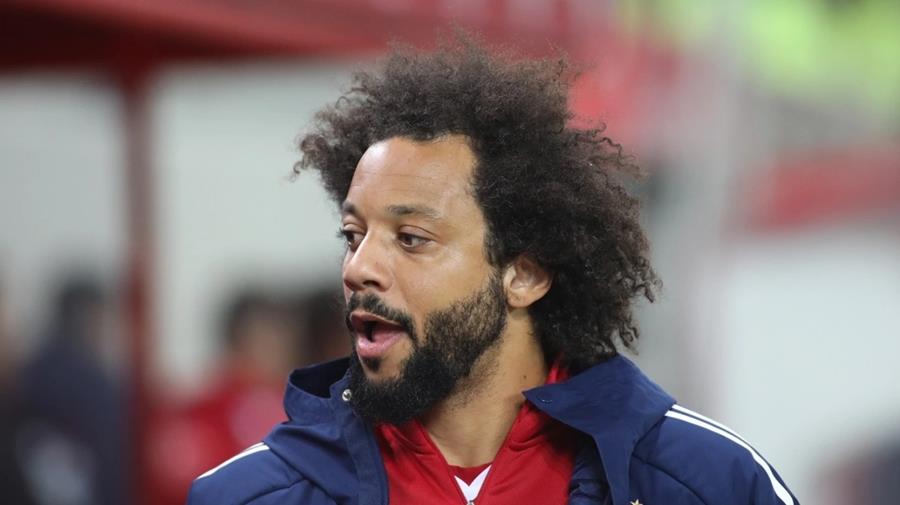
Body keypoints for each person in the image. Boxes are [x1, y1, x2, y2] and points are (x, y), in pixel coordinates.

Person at [188, 35, 798, 505]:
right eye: (353, 235)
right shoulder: (248, 496)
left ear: (524, 275)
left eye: (411, 238)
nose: (359, 267)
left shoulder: (710, 482)